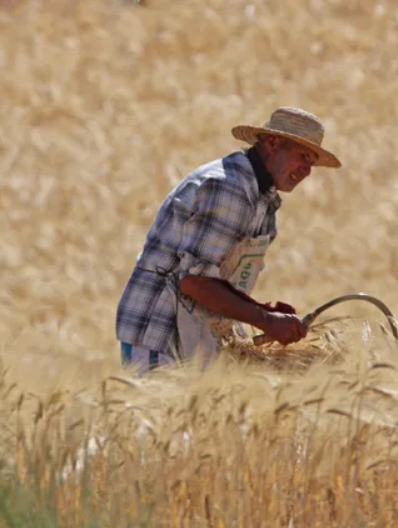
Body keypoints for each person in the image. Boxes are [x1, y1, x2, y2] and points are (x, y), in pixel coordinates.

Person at [115, 106, 342, 373]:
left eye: (312, 162)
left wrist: (259, 309)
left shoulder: (262, 199)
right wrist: (266, 320)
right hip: (161, 336)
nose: (307, 170)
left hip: (191, 338)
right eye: (302, 155)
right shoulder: (229, 187)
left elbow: (213, 277)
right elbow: (194, 282)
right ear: (272, 143)